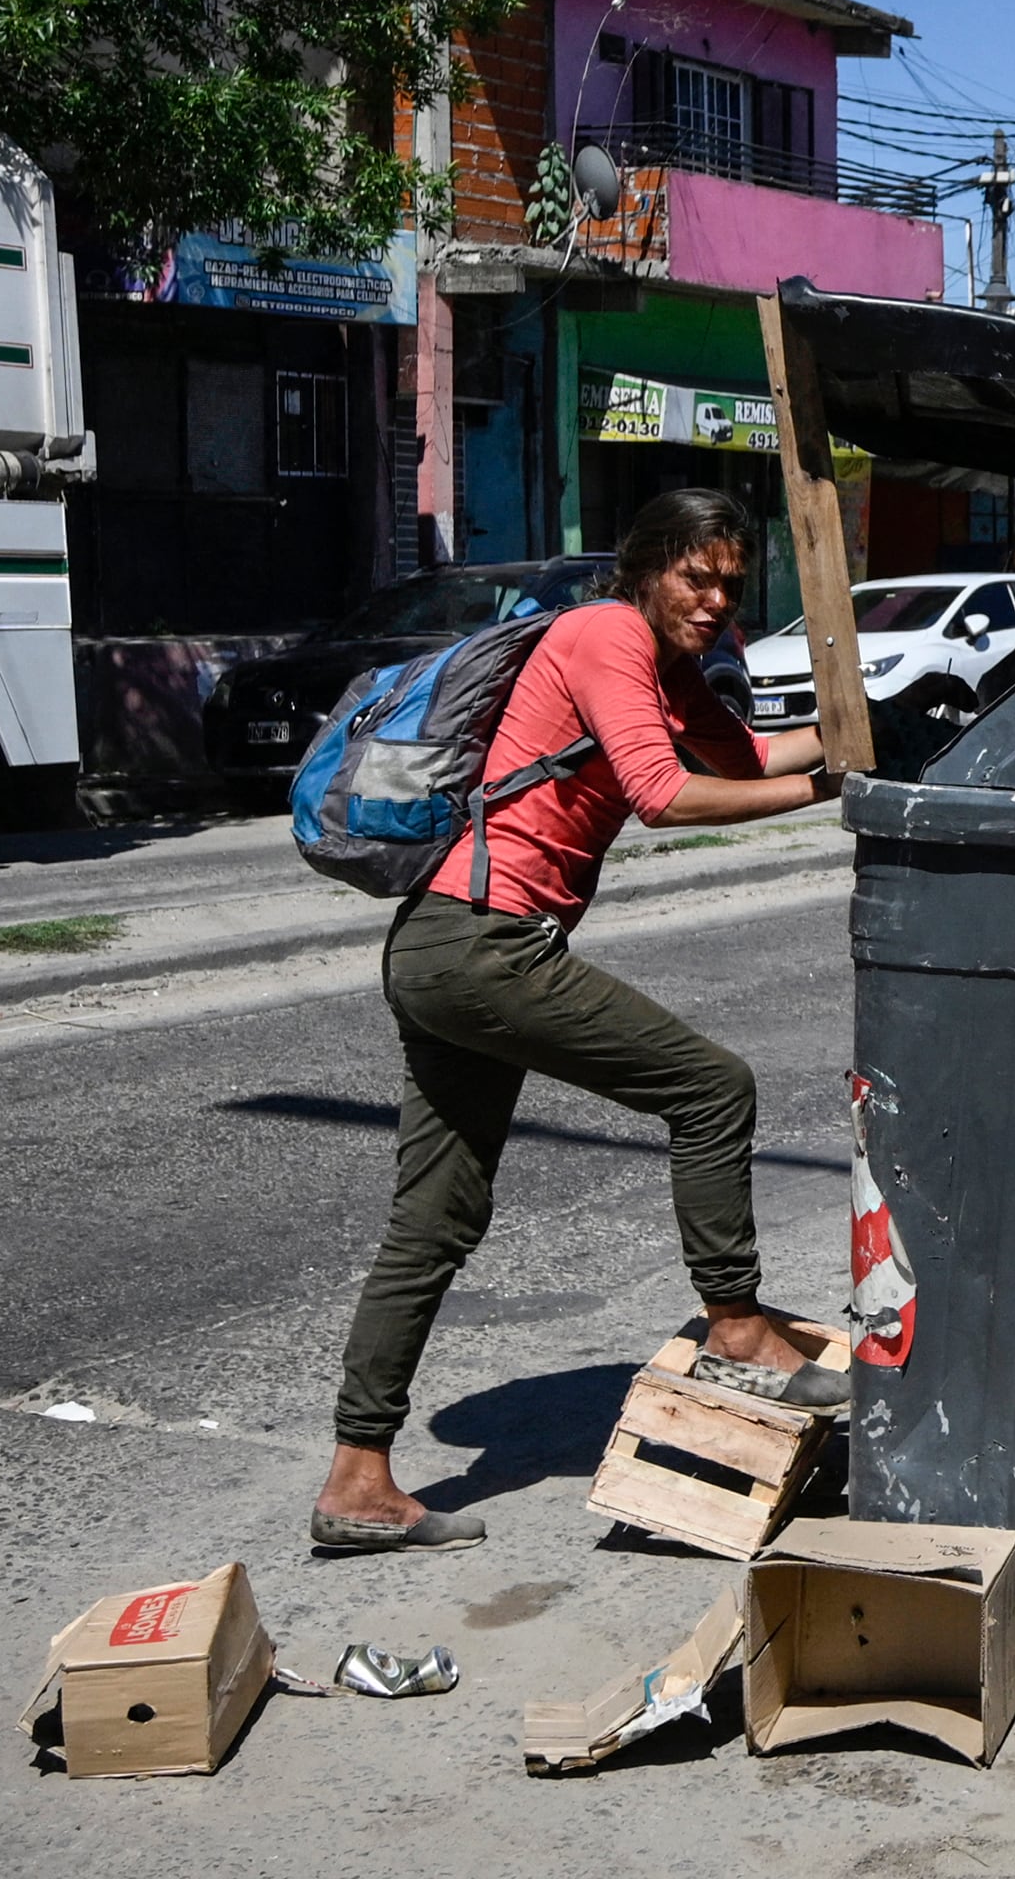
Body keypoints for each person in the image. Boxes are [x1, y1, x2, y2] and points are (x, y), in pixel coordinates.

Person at [312, 489, 841, 1552]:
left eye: (732, 581)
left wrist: (860, 741)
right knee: (711, 1085)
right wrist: (826, 788)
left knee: (437, 1217)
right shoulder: (602, 631)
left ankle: (356, 1478)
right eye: (697, 575)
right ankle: (735, 1319)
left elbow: (741, 759)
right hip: (476, 941)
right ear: (647, 568)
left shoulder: (662, 666)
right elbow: (662, 791)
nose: (716, 598)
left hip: (453, 946)